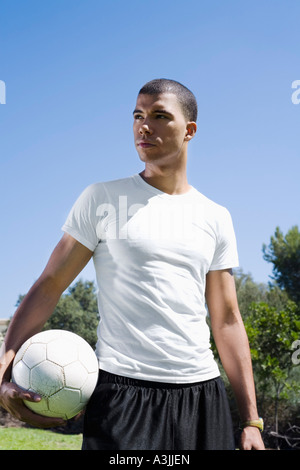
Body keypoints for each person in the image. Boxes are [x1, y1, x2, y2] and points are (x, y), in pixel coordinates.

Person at [0, 79, 265, 450]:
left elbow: (226, 319)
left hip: (202, 396)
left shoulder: (216, 216)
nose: (144, 126)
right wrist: (5, 366)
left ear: (189, 130)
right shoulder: (102, 198)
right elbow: (49, 285)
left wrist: (251, 420)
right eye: (138, 116)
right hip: (123, 397)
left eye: (159, 116)